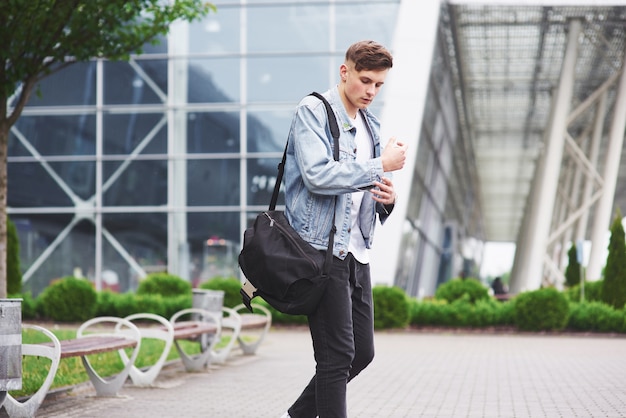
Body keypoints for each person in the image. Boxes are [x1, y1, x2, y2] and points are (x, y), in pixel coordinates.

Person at [281, 40, 408, 418]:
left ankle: (299, 414)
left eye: (378, 85)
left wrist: (386, 200)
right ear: (345, 71)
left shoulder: (371, 123)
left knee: (362, 353)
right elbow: (318, 176)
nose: (370, 91)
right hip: (322, 252)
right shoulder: (314, 111)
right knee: (337, 358)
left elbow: (362, 193)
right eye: (365, 80)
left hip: (357, 253)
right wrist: (380, 163)